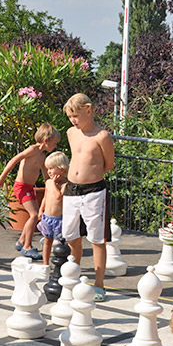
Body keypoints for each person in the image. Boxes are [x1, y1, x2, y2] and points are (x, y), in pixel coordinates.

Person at [62, 93, 114, 302]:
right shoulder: (71, 133)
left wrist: (89, 175)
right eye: (70, 117)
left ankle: (99, 285)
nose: (73, 120)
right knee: (72, 236)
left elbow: (108, 165)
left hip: (93, 191)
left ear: (89, 111)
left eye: (76, 116)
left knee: (97, 239)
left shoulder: (102, 136)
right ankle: (72, 277)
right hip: (71, 190)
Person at [0, 123, 60, 260]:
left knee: (36, 215)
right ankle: (27, 246)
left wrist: (53, 185)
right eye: (54, 143)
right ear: (46, 141)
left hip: (29, 188)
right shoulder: (32, 150)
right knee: (34, 215)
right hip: (21, 187)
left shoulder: (42, 157)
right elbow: (14, 160)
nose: (55, 146)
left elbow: (46, 177)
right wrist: (2, 178)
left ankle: (21, 241)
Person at [37, 151, 69, 264]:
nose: (48, 171)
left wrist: (54, 184)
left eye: (51, 168)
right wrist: (41, 209)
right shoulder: (48, 182)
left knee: (62, 243)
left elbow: (58, 196)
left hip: (59, 219)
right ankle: (45, 263)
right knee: (47, 241)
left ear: (62, 169)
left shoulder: (65, 185)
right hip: (48, 217)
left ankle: (63, 263)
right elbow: (45, 197)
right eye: (48, 169)